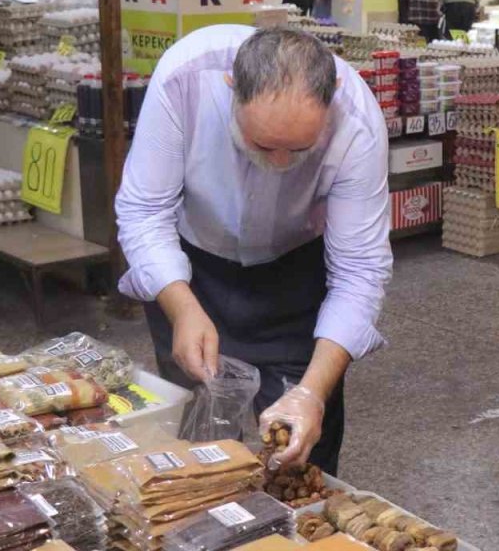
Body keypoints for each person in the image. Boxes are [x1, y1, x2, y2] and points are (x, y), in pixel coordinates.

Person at [116, 26, 392, 475]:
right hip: (191, 270)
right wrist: (182, 308)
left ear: (333, 95)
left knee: (297, 455)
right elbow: (144, 211)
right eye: (263, 145)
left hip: (294, 275)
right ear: (231, 88)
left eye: (300, 150)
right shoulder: (185, 79)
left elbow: (360, 271)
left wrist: (312, 392)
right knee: (195, 444)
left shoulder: (357, 120)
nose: (280, 164)